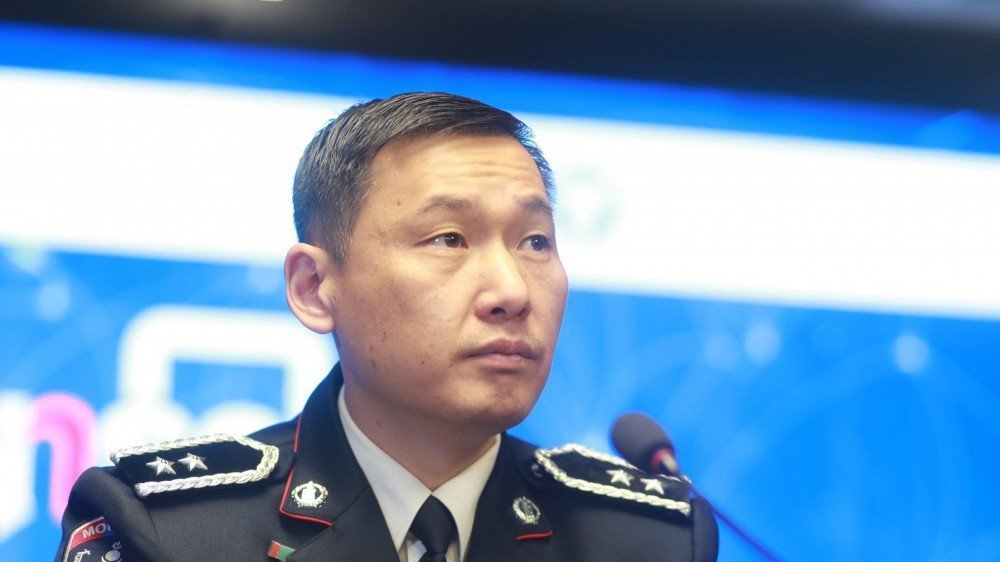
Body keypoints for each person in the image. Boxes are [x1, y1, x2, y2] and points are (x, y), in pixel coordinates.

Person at [55, 92, 718, 562]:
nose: (513, 291)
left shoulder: (649, 539)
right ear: (314, 289)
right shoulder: (169, 530)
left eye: (535, 242)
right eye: (449, 238)